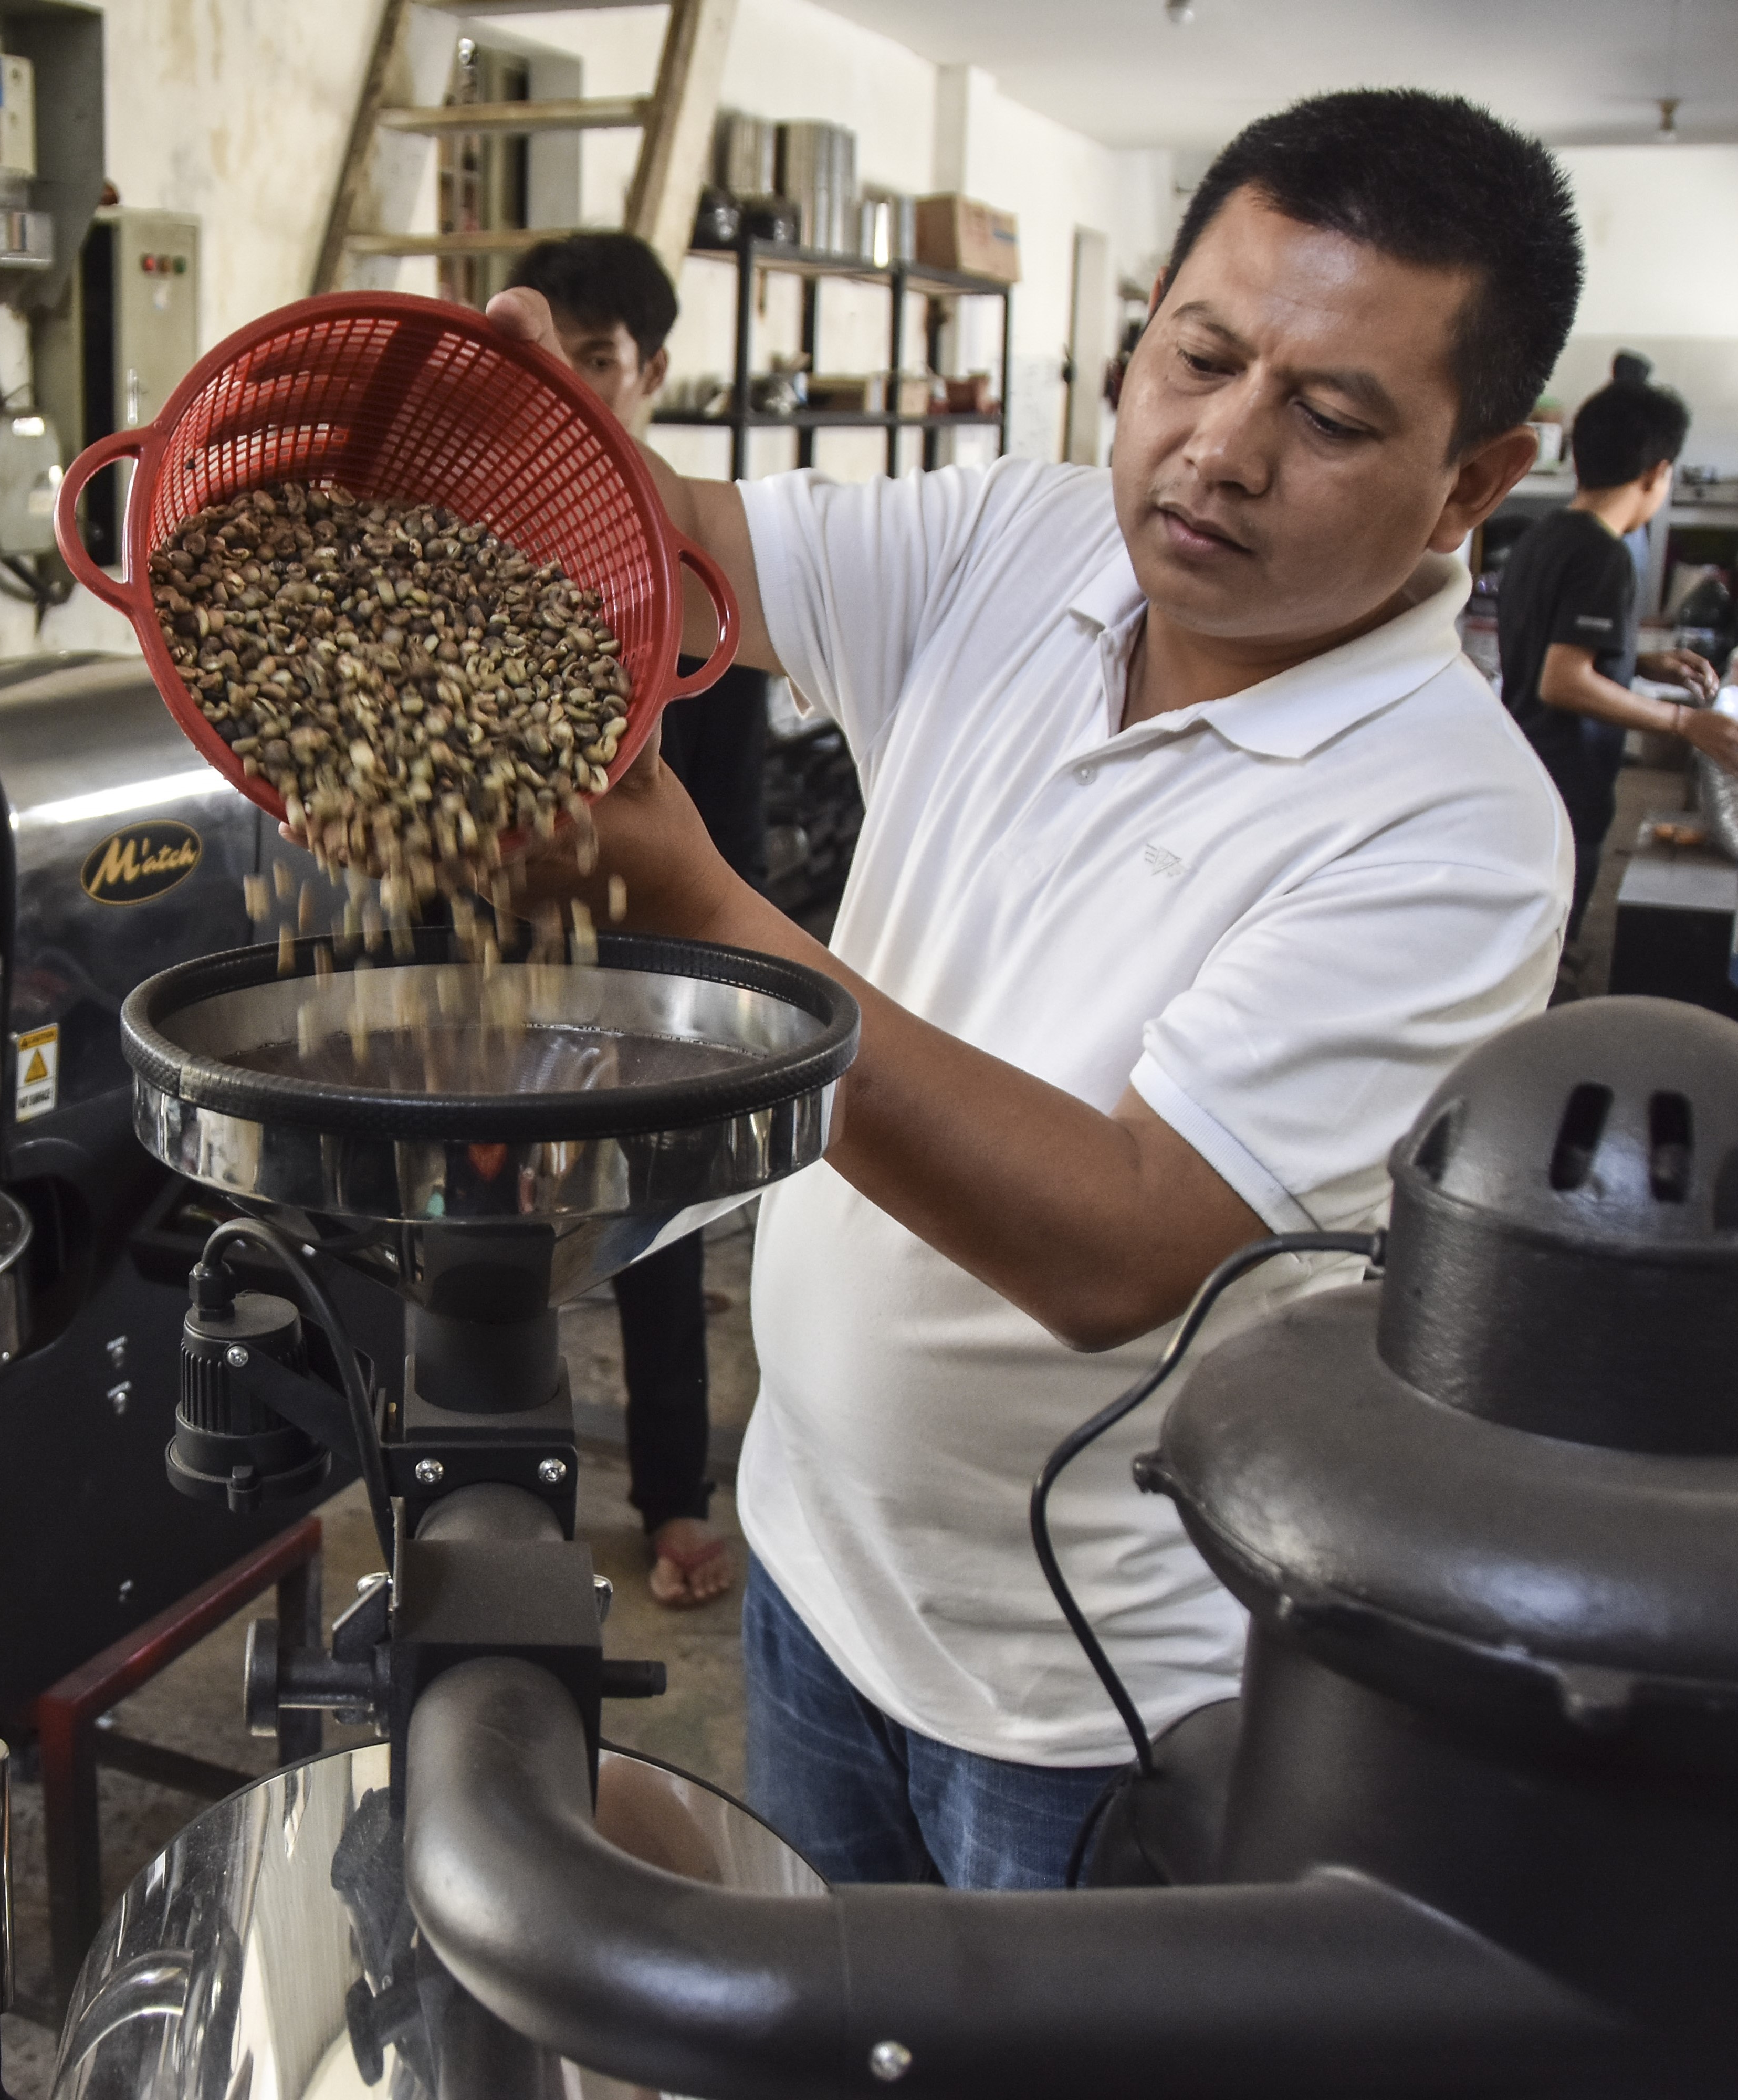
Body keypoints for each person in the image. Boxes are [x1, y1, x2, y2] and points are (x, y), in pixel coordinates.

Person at [489, 89, 1576, 1888]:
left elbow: (1117, 1243)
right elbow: (669, 548)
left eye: (1323, 417)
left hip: (1081, 1698)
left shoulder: (1456, 831)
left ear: (1475, 479)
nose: (1217, 452)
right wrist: (528, 434)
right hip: (814, 1562)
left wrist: (698, 914)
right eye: (1196, 356)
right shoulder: (1023, 545)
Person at [507, 232, 771, 1608]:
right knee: (484, 1243)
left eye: (597, 362)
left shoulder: (695, 569)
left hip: (651, 948)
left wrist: (690, 969)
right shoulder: (475, 541)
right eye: (546, 356)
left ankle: (671, 1499)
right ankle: (499, 1508)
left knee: (652, 1237)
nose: (570, 386)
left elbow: (720, 810)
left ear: (649, 372)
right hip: (491, 959)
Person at [1496, 358, 1728, 938]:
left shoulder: (1541, 537)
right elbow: (1562, 680)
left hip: (1523, 767)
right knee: (1550, 942)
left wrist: (1638, 660)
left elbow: (1548, 644)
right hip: (1567, 783)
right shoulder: (1605, 556)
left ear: (1576, 458)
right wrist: (1683, 721)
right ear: (1657, 473)